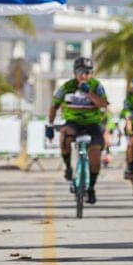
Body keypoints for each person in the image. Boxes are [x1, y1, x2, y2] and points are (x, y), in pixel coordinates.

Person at [46, 56, 109, 204]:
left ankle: (91, 188)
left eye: (87, 72)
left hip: (92, 124)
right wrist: (49, 124)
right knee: (64, 134)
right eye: (80, 72)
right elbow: (54, 105)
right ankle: (68, 167)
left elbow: (103, 104)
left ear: (92, 73)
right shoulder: (67, 86)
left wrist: (89, 93)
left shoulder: (96, 86)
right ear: (75, 73)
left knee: (95, 159)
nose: (84, 75)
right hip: (73, 122)